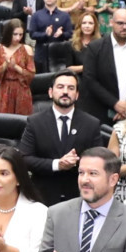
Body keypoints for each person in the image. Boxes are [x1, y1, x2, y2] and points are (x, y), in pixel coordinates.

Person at [16, 72, 105, 206]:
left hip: (79, 196)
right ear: (51, 92)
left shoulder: (91, 124)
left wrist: (76, 162)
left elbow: (99, 160)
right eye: (60, 87)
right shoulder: (35, 122)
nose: (65, 92)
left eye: (70, 88)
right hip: (43, 196)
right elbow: (24, 159)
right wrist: (57, 164)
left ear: (77, 95)